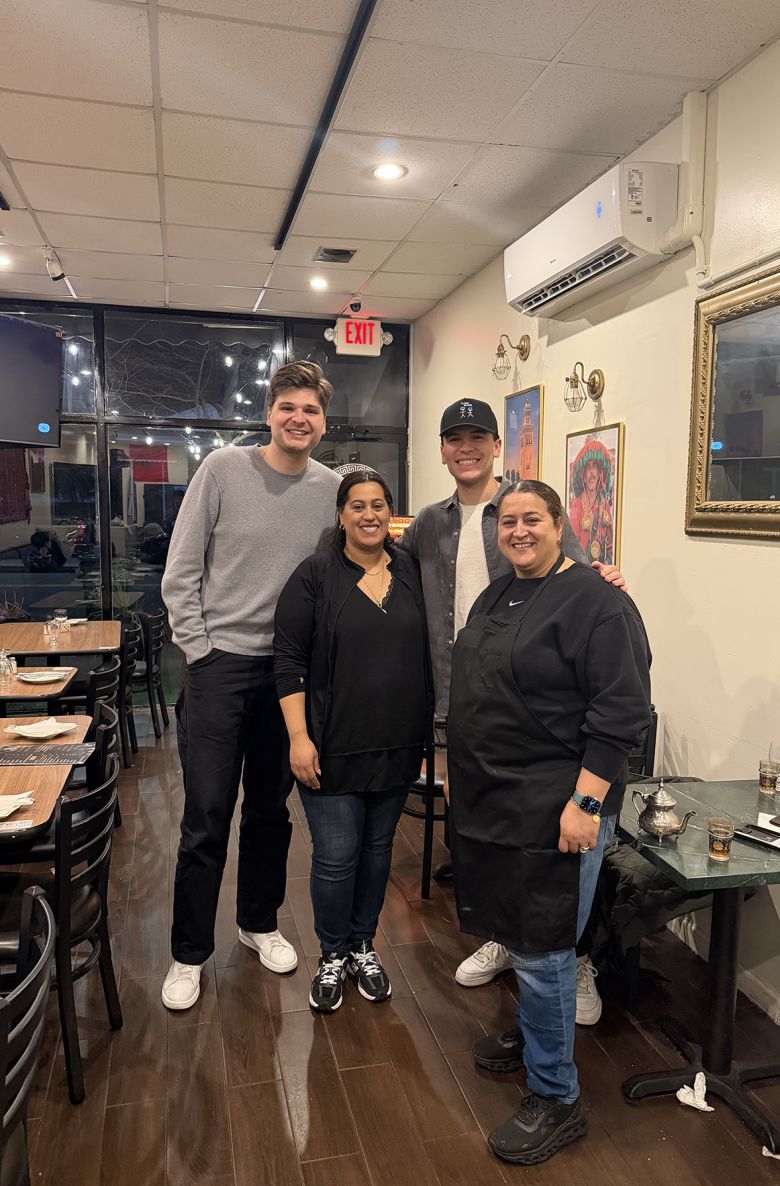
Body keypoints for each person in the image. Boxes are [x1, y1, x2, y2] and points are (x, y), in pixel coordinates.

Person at [396, 398, 625, 1014]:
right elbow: (386, 565)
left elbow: (574, 576)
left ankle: (571, 960)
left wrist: (609, 581)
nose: (464, 448)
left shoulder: (525, 508)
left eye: (477, 437)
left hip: (540, 715)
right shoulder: (429, 522)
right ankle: (508, 941)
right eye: (453, 439)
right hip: (463, 697)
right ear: (443, 450)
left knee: (557, 859)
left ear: (497, 445)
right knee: (484, 842)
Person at [447, 479, 651, 1166]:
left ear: (560, 525)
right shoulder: (499, 592)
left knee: (543, 947)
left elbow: (620, 713)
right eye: (508, 521)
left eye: (532, 519)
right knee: (513, 928)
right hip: (496, 799)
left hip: (557, 802)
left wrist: (586, 804)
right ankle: (537, 1039)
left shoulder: (598, 602)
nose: (519, 531)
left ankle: (557, 1096)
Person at [160, 361, 340, 1010]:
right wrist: (200, 652)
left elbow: (361, 570)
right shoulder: (221, 470)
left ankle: (258, 923)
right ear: (268, 413)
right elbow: (180, 571)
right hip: (218, 670)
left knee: (269, 811)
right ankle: (188, 953)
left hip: (287, 678)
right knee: (206, 815)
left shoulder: (331, 489)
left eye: (311, 409)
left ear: (324, 421)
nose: (299, 418)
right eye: (288, 406)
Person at [274, 471, 432, 1013]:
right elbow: (289, 661)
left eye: (379, 505)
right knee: (337, 857)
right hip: (331, 746)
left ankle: (365, 944)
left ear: (390, 513)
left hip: (397, 743)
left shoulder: (412, 570)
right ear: (340, 514)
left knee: (376, 852)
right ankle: (332, 953)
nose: (369, 514)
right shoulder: (315, 575)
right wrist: (298, 736)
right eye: (357, 505)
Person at [567, 438, 615, 564]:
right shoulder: (577, 505)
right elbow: (573, 548)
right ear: (583, 474)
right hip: (582, 570)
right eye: (588, 468)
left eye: (595, 467)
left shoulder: (605, 505)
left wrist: (607, 566)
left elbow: (610, 547)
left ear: (600, 473)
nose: (592, 473)